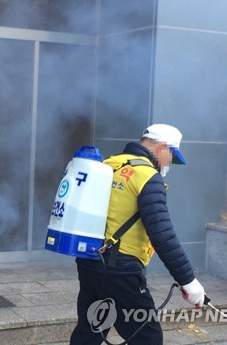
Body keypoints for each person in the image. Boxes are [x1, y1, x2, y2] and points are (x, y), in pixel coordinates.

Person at [69, 124, 205, 345]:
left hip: (89, 261)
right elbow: (163, 235)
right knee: (148, 337)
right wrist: (188, 280)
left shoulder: (108, 165)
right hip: (120, 270)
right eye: (171, 154)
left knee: (90, 330)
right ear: (161, 147)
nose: (169, 161)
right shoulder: (148, 178)